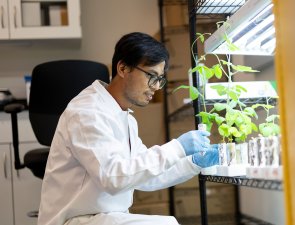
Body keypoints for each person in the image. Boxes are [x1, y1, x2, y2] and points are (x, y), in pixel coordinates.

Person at [37, 32, 219, 225]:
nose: (156, 87)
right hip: (72, 220)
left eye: (160, 79)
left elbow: (143, 176)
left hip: (101, 217)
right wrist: (178, 147)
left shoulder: (124, 117)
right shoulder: (87, 112)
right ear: (123, 68)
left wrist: (193, 163)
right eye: (151, 76)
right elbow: (114, 178)